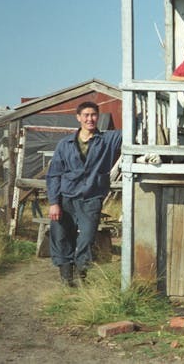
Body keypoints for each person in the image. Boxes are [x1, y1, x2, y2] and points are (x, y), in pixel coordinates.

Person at [46, 102, 122, 286]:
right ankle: (66, 277)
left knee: (87, 237)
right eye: (86, 115)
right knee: (61, 235)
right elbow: (54, 174)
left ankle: (82, 274)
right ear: (78, 117)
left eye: (94, 115)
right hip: (66, 197)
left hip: (91, 198)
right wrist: (54, 202)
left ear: (98, 117)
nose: (90, 119)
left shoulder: (107, 140)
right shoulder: (65, 144)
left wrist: (138, 112)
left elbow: (131, 131)